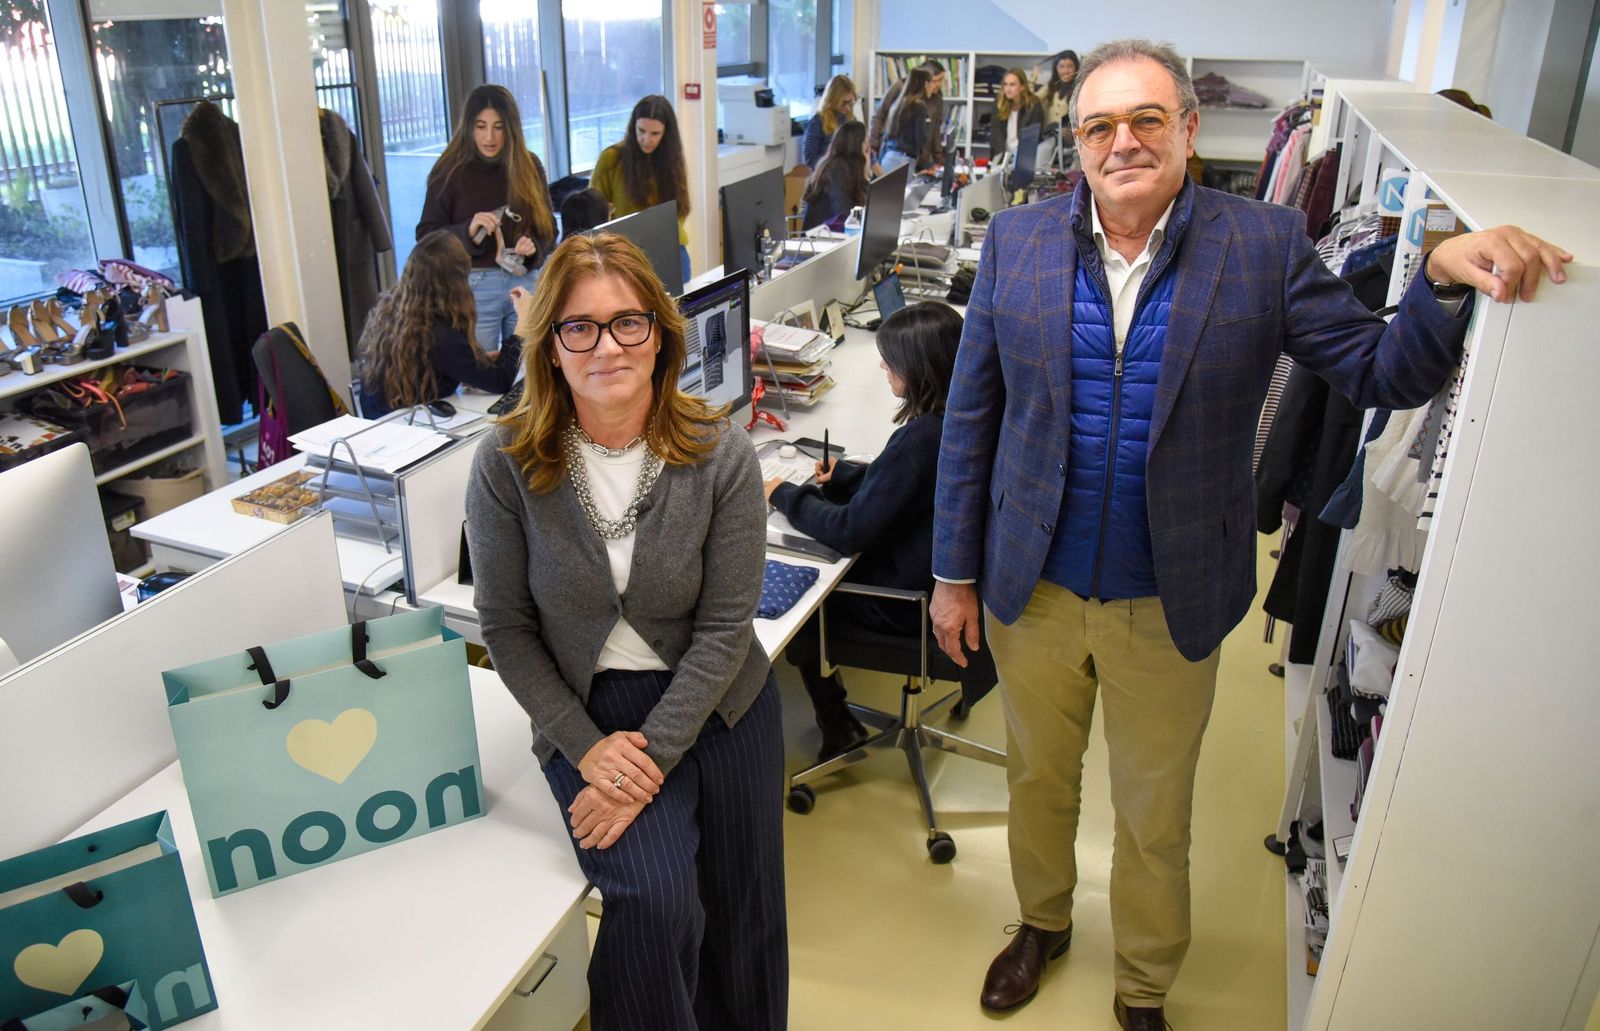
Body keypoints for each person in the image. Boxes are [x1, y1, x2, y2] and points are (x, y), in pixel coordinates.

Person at [929, 38, 1570, 1031]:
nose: (1123, 141)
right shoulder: (1016, 243)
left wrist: (1438, 279)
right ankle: (1040, 922)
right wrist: (951, 571)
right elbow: (970, 416)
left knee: (1153, 815)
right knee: (1036, 777)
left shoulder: (1262, 244)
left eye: (1147, 119)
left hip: (1169, 595)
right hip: (1032, 589)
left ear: (1187, 128)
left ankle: (1142, 980)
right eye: (1099, 125)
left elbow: (1378, 371)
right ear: (1077, 142)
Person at [465, 232, 786, 1031]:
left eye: (626, 323)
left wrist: (649, 759)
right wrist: (585, 745)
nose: (605, 345)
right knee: (654, 898)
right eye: (579, 326)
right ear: (550, 345)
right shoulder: (505, 462)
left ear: (659, 334)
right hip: (588, 710)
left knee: (743, 915)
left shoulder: (721, 453)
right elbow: (505, 626)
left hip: (722, 705)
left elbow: (723, 627)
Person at [764, 302, 997, 760]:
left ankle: (837, 721)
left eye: (890, 360)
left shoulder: (918, 440)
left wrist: (783, 494)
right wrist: (849, 475)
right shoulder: (965, 420)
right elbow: (907, 487)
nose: (882, 365)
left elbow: (850, 529)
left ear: (917, 369)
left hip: (908, 605)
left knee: (810, 597)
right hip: (948, 584)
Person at [417, 84, 557, 354]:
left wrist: (535, 246)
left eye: (498, 127)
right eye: (481, 126)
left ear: (511, 128)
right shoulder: (448, 172)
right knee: (481, 386)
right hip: (474, 287)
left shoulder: (529, 166)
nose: (489, 137)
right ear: (469, 127)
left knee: (531, 378)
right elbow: (426, 237)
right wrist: (466, 233)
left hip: (525, 283)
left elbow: (549, 228)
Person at [355, 229, 520, 417]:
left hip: (379, 419)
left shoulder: (390, 310)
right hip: (408, 429)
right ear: (456, 282)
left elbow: (438, 361)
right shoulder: (441, 332)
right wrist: (522, 328)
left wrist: (470, 364)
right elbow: (501, 381)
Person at [589, 95, 694, 284]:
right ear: (633, 127)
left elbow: (681, 208)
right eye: (641, 131)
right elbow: (593, 210)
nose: (646, 140)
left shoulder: (673, 161)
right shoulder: (612, 158)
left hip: (671, 247)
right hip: (626, 254)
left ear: (666, 134)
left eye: (655, 134)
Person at [870, 59, 946, 168]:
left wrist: (939, 161)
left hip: (918, 157)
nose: (940, 85)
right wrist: (874, 147)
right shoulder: (900, 88)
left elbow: (935, 130)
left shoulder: (936, 97)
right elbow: (879, 115)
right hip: (897, 153)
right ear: (925, 81)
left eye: (942, 80)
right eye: (936, 80)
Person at [799, 121, 870, 231]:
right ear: (857, 147)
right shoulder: (837, 169)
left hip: (833, 235)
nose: (868, 152)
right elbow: (844, 214)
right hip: (822, 240)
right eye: (866, 147)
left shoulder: (844, 166)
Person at [879, 68, 934, 173]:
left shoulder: (899, 103)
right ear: (926, 84)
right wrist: (928, 124)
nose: (933, 86)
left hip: (889, 157)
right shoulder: (919, 106)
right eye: (932, 82)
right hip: (903, 160)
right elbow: (920, 140)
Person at [990, 68, 1045, 168]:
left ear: (1022, 86)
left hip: (1024, 159)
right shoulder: (999, 103)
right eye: (1005, 84)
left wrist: (1019, 160)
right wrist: (1003, 160)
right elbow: (995, 132)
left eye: (1012, 84)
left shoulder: (1033, 105)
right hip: (1001, 157)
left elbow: (1033, 136)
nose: (1008, 89)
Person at [803, 74, 860, 168]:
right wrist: (833, 170)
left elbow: (863, 148)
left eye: (850, 103)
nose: (848, 108)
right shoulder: (817, 122)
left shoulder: (851, 119)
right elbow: (810, 158)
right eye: (843, 103)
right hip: (827, 177)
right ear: (833, 100)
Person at [1040, 50, 1079, 127]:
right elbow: (1033, 100)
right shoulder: (1051, 85)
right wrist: (1033, 78)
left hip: (1070, 136)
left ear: (1076, 68)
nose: (1065, 71)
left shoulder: (1080, 88)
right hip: (1049, 135)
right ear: (1056, 68)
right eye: (1061, 66)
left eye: (1070, 66)